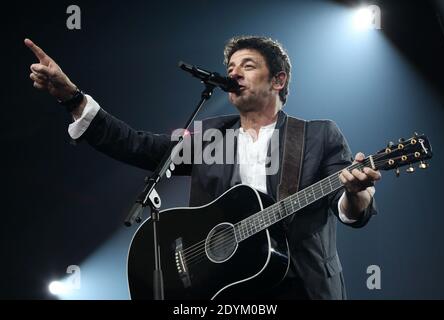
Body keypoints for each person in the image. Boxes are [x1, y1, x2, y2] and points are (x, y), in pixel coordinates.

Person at [25, 36, 381, 299]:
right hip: (222, 292)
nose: (234, 73)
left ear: (279, 80)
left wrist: (357, 195)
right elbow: (137, 145)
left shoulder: (319, 135)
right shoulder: (211, 135)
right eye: (230, 68)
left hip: (299, 287)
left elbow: (347, 208)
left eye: (248, 65)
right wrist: (72, 97)